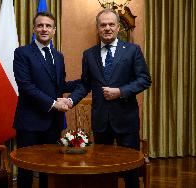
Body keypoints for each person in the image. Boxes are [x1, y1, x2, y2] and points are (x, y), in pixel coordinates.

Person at [60, 9, 152, 188]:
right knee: (103, 170)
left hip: (126, 120)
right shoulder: (89, 54)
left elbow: (144, 80)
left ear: (118, 27)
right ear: (98, 28)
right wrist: (71, 101)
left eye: (111, 24)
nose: (107, 28)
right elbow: (85, 84)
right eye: (103, 25)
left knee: (130, 170)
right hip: (101, 121)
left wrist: (121, 91)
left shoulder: (132, 50)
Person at [13, 11, 79, 188]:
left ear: (54, 30)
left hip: (52, 123)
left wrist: (87, 80)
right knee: (26, 170)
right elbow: (26, 86)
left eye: (48, 26)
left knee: (49, 170)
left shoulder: (58, 56)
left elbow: (60, 86)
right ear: (34, 29)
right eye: (40, 25)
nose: (44, 29)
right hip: (29, 123)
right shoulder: (22, 53)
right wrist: (54, 104)